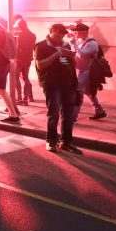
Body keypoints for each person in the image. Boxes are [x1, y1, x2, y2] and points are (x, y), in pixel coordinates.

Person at [34, 23, 82, 154]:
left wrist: (71, 58)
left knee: (68, 114)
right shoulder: (41, 46)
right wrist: (56, 54)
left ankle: (66, 142)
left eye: (63, 35)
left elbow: (65, 63)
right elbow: (40, 65)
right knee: (53, 112)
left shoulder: (65, 45)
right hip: (51, 84)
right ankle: (51, 141)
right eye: (59, 34)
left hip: (67, 83)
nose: (61, 38)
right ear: (52, 31)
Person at [70, 22, 107, 120]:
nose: (74, 33)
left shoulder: (92, 43)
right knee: (89, 92)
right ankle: (99, 111)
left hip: (88, 72)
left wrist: (74, 44)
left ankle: (73, 116)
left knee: (78, 93)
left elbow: (83, 54)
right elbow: (76, 53)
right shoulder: (80, 41)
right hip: (81, 70)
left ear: (83, 32)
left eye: (75, 31)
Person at [13, 16, 37, 104]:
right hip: (28, 59)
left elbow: (18, 47)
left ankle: (19, 98)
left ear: (20, 26)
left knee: (15, 78)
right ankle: (26, 98)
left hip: (19, 59)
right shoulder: (32, 35)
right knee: (26, 78)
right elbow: (32, 47)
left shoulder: (19, 34)